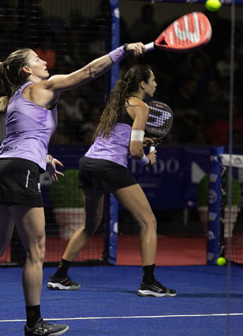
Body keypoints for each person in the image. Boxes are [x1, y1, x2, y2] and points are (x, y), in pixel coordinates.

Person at [0, 43, 146, 336]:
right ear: (26, 70)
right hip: (20, 170)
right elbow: (89, 72)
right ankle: (34, 324)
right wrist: (122, 51)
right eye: (37, 59)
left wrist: (42, 157)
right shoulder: (45, 86)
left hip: (1, 166)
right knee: (36, 251)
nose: (45, 61)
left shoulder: (16, 97)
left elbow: (23, 135)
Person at [46, 64, 176, 298]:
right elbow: (135, 152)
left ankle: (59, 276)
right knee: (149, 221)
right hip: (110, 167)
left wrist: (141, 139)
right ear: (143, 84)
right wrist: (148, 159)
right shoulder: (142, 107)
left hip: (88, 164)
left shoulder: (117, 103)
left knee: (90, 225)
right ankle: (148, 282)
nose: (156, 84)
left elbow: (121, 137)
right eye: (153, 80)